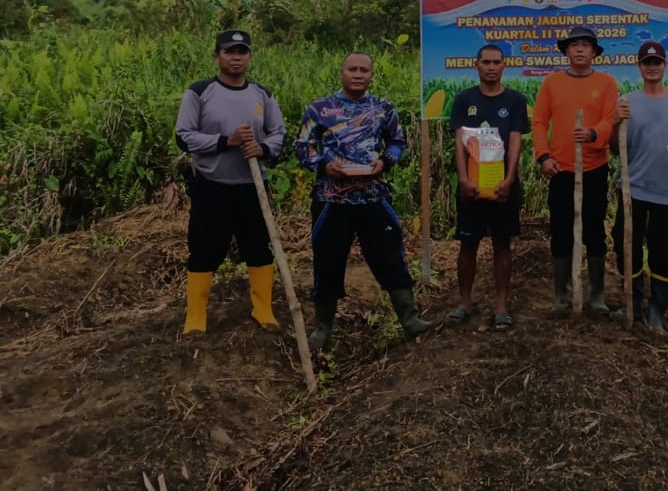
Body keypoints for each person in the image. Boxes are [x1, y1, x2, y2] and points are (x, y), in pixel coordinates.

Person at [295, 52, 431, 350]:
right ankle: (322, 328)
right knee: (327, 261)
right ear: (341, 72)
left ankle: (409, 319)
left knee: (390, 256)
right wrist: (324, 166)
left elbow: (397, 142)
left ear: (371, 75)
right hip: (331, 200)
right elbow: (303, 146)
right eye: (352, 69)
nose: (358, 75)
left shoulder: (384, 108)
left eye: (364, 70)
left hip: (373, 197)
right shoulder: (319, 108)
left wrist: (385, 161)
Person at [175, 29, 286, 334]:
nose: (236, 57)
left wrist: (263, 148)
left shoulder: (262, 94)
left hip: (252, 187)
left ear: (249, 56)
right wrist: (226, 141)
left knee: (258, 247)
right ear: (217, 56)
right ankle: (195, 317)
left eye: (242, 52)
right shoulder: (199, 92)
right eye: (229, 52)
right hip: (211, 186)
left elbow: (279, 133)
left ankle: (263, 309)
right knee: (204, 249)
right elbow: (184, 136)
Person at [611, 40, 668, 332]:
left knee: (664, 250)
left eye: (657, 62)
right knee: (627, 247)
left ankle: (657, 310)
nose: (652, 67)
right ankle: (633, 302)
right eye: (647, 63)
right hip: (632, 189)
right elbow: (616, 147)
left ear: (665, 65)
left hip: (666, 191)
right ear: (639, 66)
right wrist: (615, 123)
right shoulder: (627, 102)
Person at [532, 25, 619, 313]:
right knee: (561, 232)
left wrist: (593, 134)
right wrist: (543, 156)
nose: (579, 49)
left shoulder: (607, 83)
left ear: (594, 52)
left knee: (594, 231)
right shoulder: (551, 83)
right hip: (560, 170)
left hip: (594, 168)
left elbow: (610, 119)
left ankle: (597, 295)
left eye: (585, 44)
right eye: (574, 44)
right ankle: (561, 295)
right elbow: (539, 121)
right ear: (566, 51)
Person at [448, 44, 529, 330]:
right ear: (477, 65)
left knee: (502, 245)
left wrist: (509, 179)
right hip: (471, 186)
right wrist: (463, 179)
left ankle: (501, 305)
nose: (491, 67)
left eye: (496, 62)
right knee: (468, 245)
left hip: (502, 186)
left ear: (504, 65)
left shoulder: (516, 100)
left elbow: (516, 141)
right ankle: (464, 302)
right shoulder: (463, 99)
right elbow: (459, 142)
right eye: (486, 62)